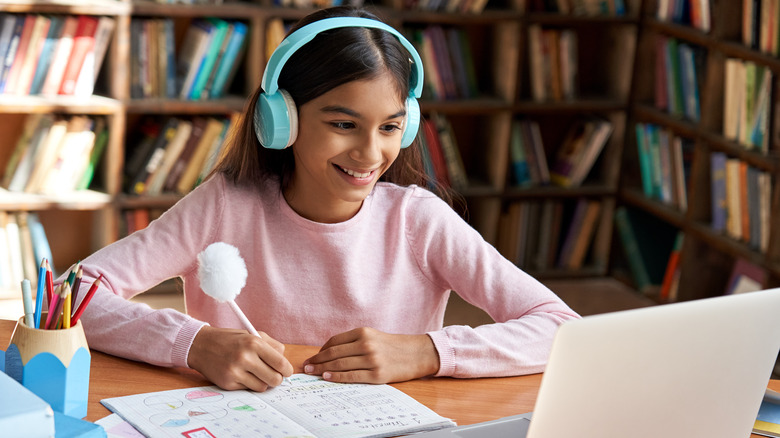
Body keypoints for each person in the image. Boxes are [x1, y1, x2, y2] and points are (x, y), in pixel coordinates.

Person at [67, 6, 580, 393]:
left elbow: (560, 327)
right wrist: (193, 343)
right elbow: (73, 295)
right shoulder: (226, 205)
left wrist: (427, 352)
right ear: (281, 119)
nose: (369, 151)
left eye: (390, 127)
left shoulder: (418, 220)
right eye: (342, 124)